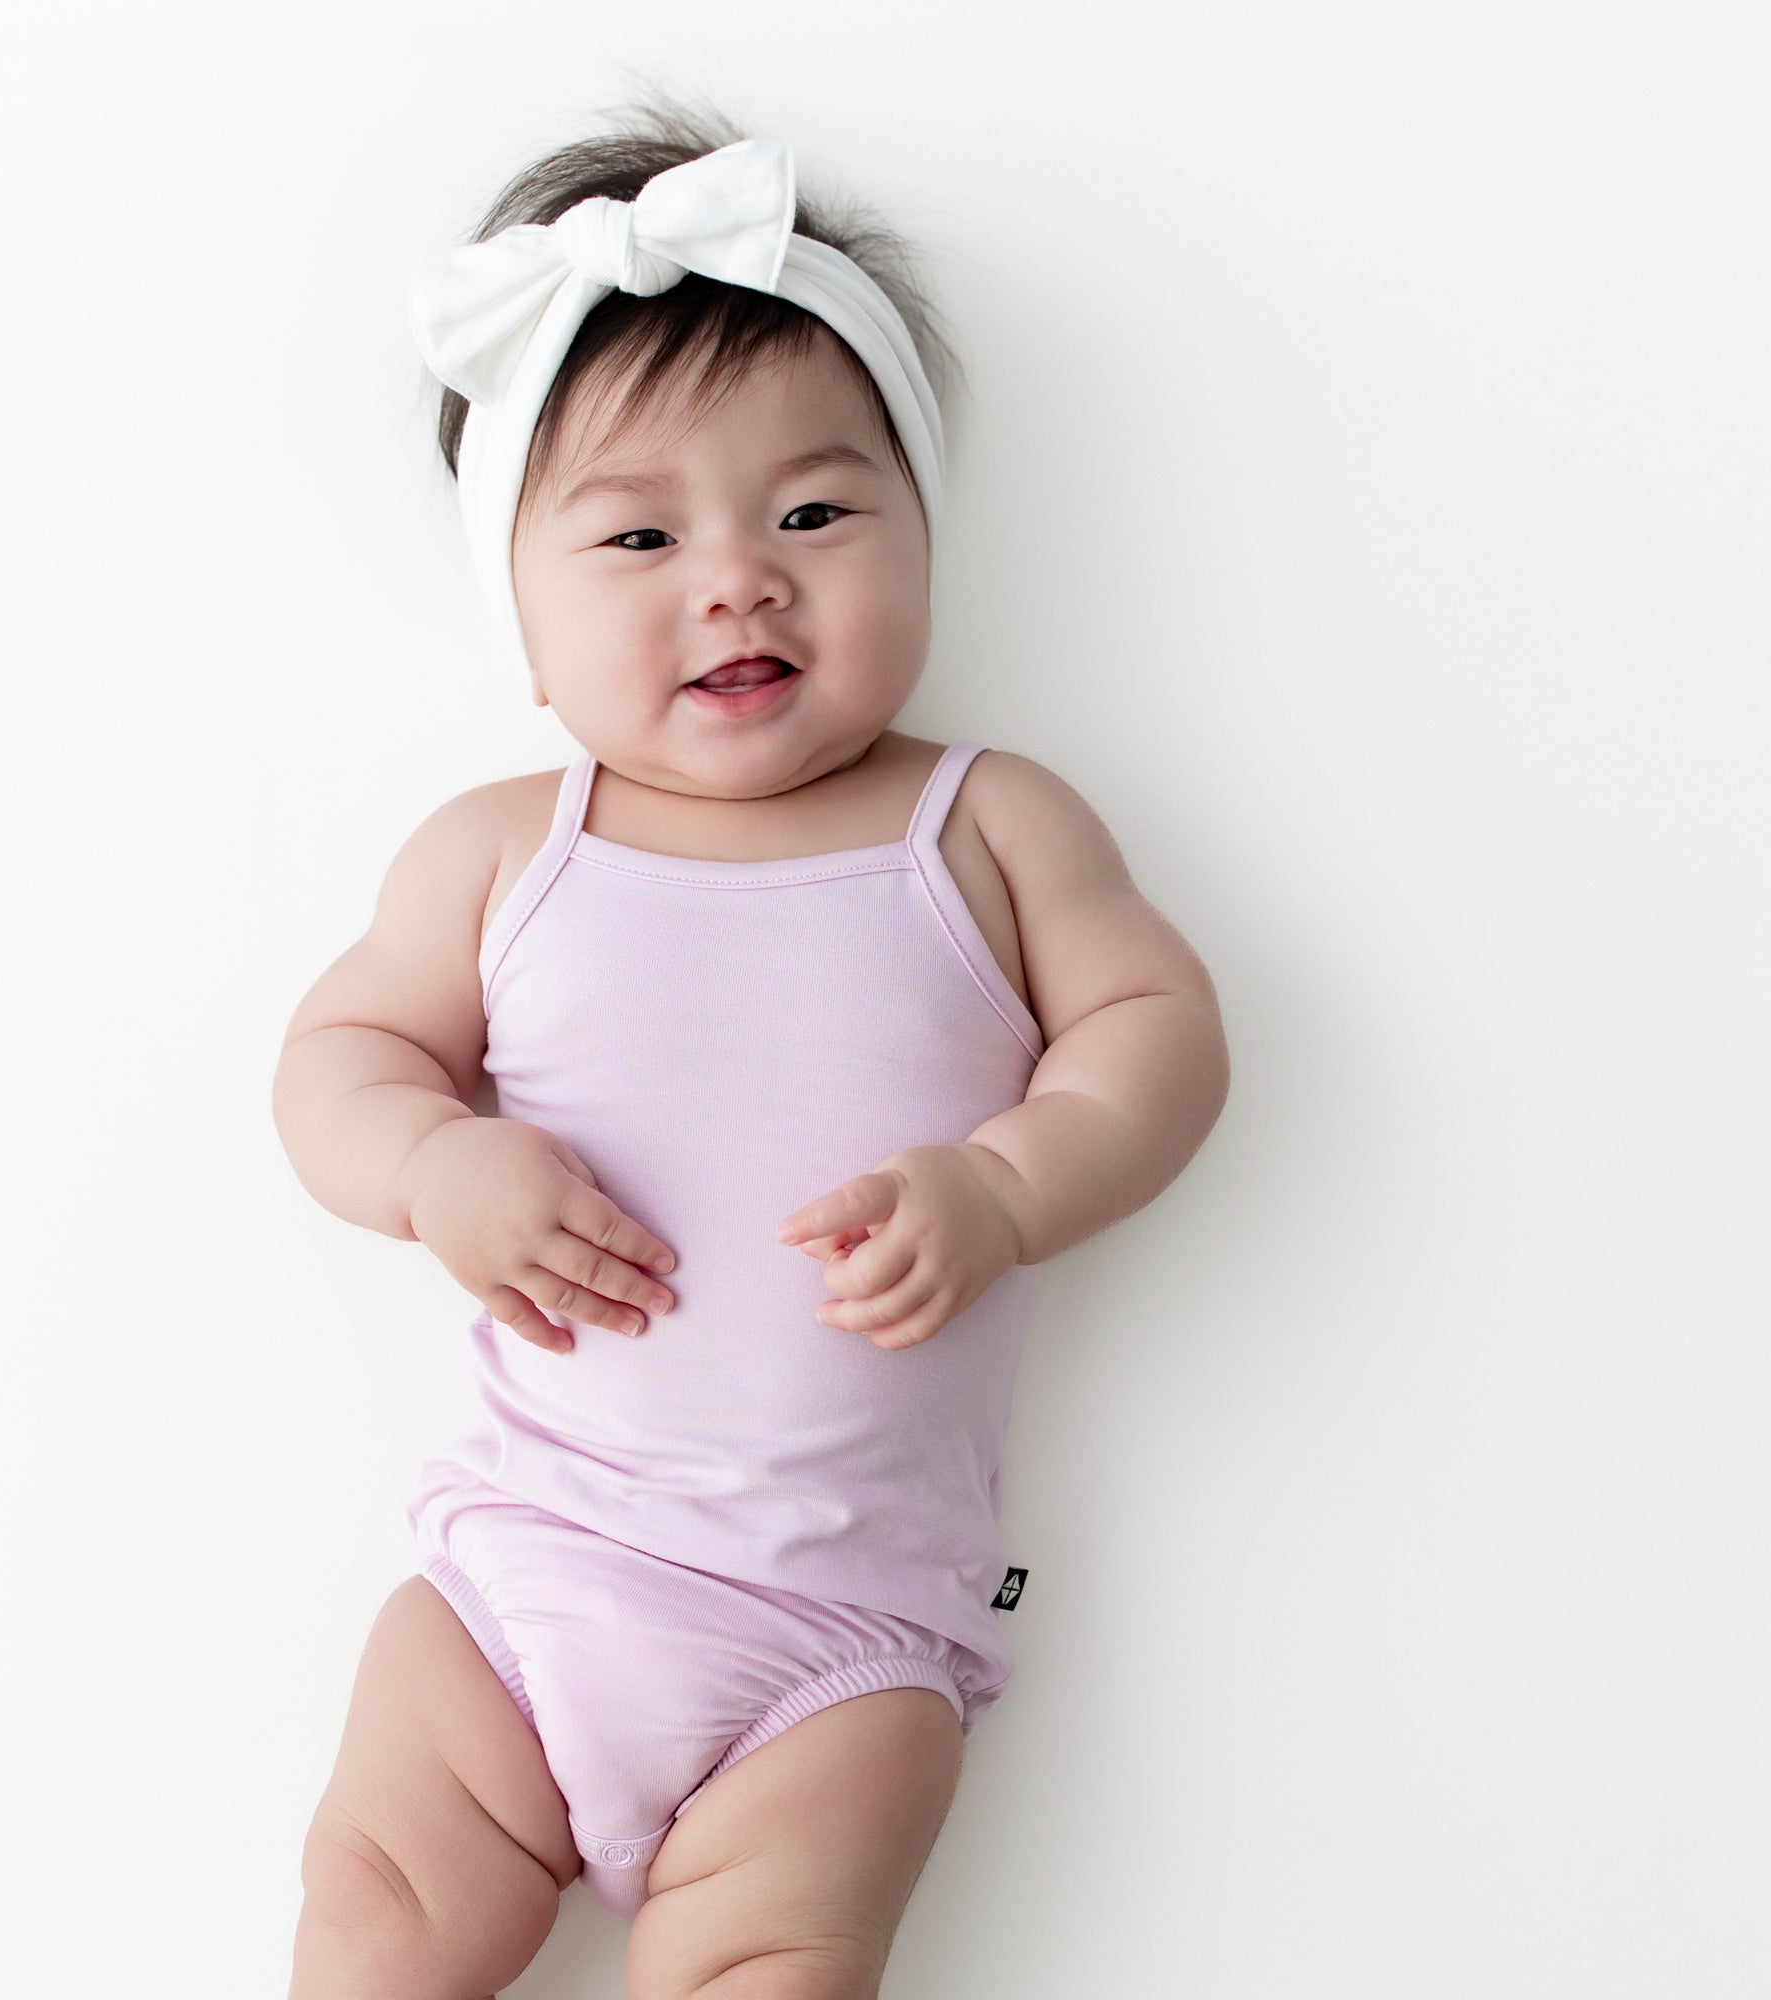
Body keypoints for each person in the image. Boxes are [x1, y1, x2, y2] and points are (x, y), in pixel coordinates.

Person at [272, 96, 1229, 2000]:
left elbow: (1160, 1031)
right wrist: (434, 1164)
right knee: (381, 1903)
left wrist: (1008, 1181)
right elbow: (338, 1057)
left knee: (777, 1956)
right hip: (527, 1573)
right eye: (638, 533)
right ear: (525, 624)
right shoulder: (498, 855)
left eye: (813, 512)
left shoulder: (984, 824)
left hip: (842, 1633)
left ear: (919, 529)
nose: (737, 579)